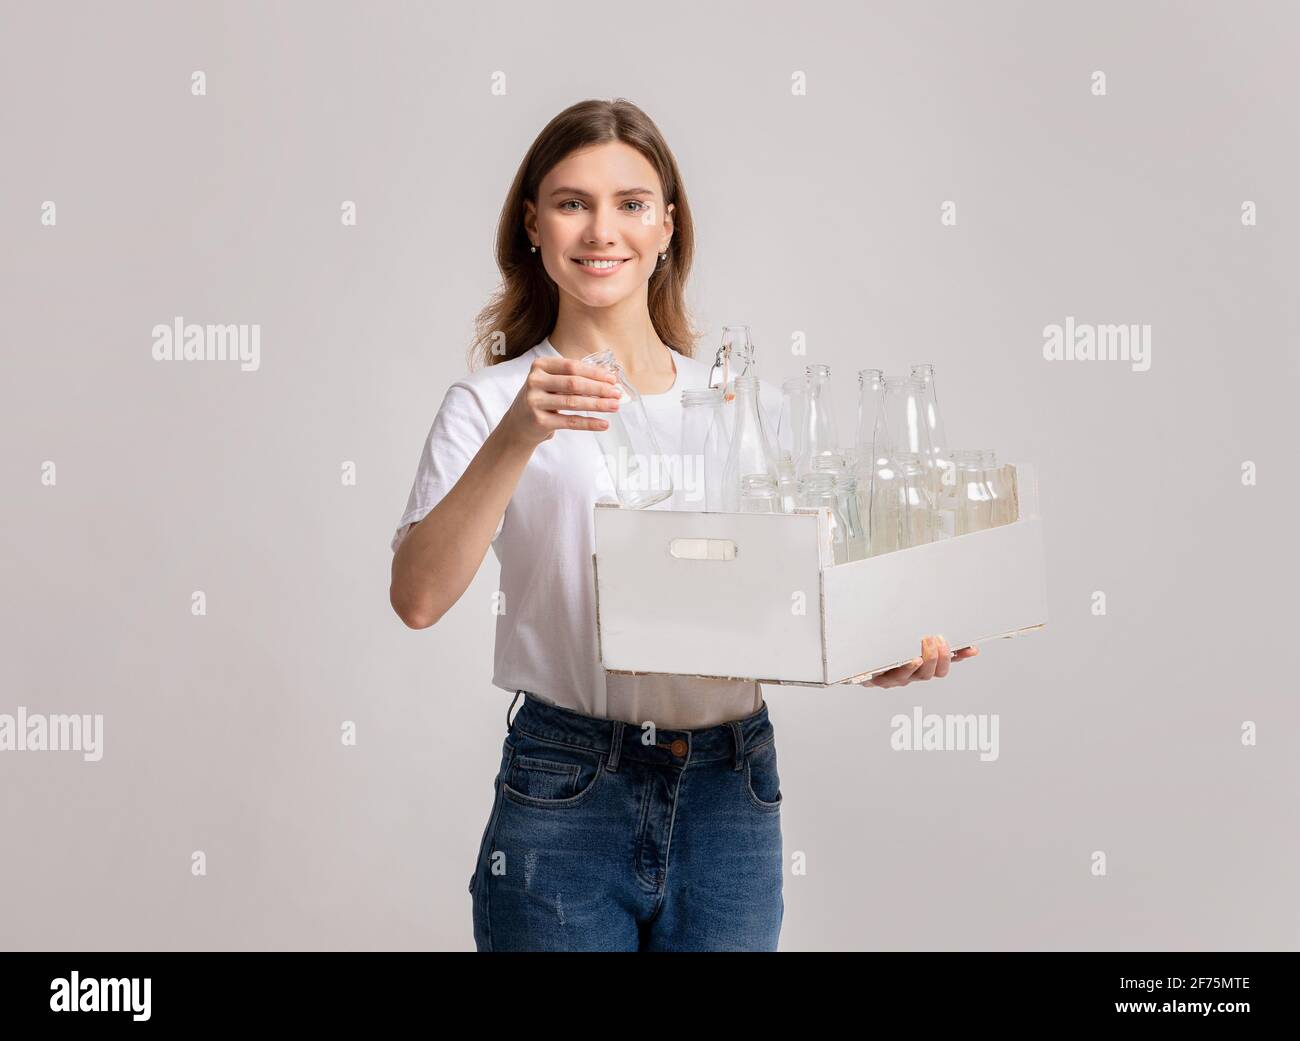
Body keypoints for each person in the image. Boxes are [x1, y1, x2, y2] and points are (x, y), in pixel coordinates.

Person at [389, 98, 977, 952]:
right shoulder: (490, 404)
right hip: (566, 788)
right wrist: (520, 432)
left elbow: (789, 606)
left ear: (668, 226)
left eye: (630, 203)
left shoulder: (745, 408)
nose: (601, 230)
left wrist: (876, 654)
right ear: (533, 226)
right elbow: (417, 597)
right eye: (571, 202)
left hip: (730, 793)